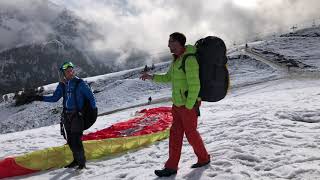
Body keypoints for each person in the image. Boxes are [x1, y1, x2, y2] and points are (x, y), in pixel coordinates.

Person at [140, 32, 210, 177]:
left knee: (191, 134)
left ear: (179, 43)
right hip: (177, 105)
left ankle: (204, 158)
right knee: (175, 134)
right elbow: (167, 77)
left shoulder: (189, 59)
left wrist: (189, 106)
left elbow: (195, 85)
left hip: (187, 106)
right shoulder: (176, 60)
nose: (168, 45)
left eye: (171, 41)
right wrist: (151, 77)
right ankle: (171, 167)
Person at [32, 61, 97, 170]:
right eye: (67, 71)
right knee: (70, 140)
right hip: (67, 115)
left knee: (76, 139)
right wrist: (39, 97)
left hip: (77, 115)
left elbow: (91, 98)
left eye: (71, 70)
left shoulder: (80, 83)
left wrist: (93, 112)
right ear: (63, 73)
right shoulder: (62, 85)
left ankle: (82, 163)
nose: (70, 73)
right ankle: (76, 160)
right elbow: (54, 98)